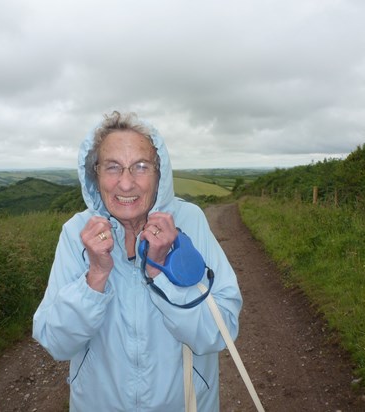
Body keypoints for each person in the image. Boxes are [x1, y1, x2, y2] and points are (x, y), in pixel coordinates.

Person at [32, 111, 242, 411]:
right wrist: (95, 277)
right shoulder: (76, 233)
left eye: (140, 166)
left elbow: (221, 332)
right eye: (113, 167)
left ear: (160, 173)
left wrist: (161, 274)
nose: (126, 183)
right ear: (95, 174)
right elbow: (56, 342)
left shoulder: (190, 222)